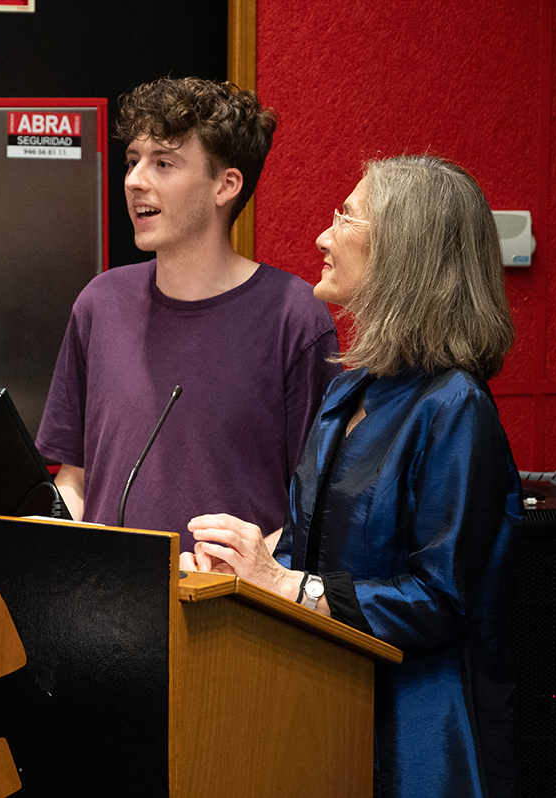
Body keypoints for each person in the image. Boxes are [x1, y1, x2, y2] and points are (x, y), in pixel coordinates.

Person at [182, 154, 522, 798]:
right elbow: (305, 551)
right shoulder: (348, 390)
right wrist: (241, 568)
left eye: (345, 217)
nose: (322, 236)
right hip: (322, 708)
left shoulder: (456, 406)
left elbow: (439, 601)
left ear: (406, 253)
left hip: (419, 736)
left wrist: (284, 583)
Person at [35, 77, 340, 547]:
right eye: (133, 161)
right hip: (104, 588)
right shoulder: (100, 302)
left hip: (227, 593)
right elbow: (74, 478)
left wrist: (245, 565)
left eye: (163, 163)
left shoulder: (294, 316)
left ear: (225, 185)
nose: (135, 180)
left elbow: (319, 510)